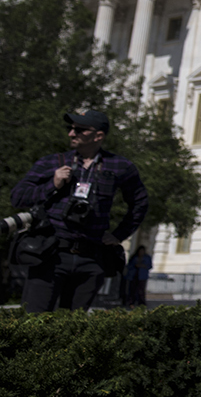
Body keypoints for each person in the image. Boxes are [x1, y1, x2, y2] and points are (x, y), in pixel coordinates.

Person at [11, 108, 148, 313]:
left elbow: (140, 202)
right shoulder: (52, 162)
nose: (71, 133)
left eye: (79, 130)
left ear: (98, 135)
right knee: (34, 320)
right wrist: (53, 184)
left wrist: (119, 235)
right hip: (51, 254)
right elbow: (17, 197)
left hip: (90, 258)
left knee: (74, 327)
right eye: (70, 128)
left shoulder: (119, 166)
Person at [123, 243, 153, 308]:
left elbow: (150, 266)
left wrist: (143, 266)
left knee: (141, 290)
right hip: (134, 275)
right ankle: (131, 302)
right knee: (132, 289)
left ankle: (141, 303)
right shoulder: (134, 257)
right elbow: (129, 266)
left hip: (142, 276)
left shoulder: (147, 258)